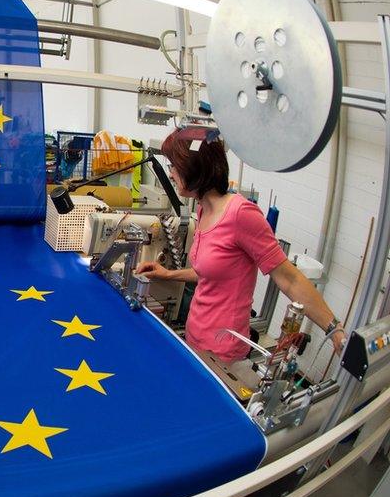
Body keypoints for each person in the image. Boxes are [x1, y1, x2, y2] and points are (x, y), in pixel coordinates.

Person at [135, 130, 346, 363]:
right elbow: (209, 272)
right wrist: (169, 274)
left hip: (223, 349)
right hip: (196, 336)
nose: (171, 174)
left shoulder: (241, 214)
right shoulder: (203, 209)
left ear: (193, 167)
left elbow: (290, 279)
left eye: (174, 166)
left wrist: (333, 327)